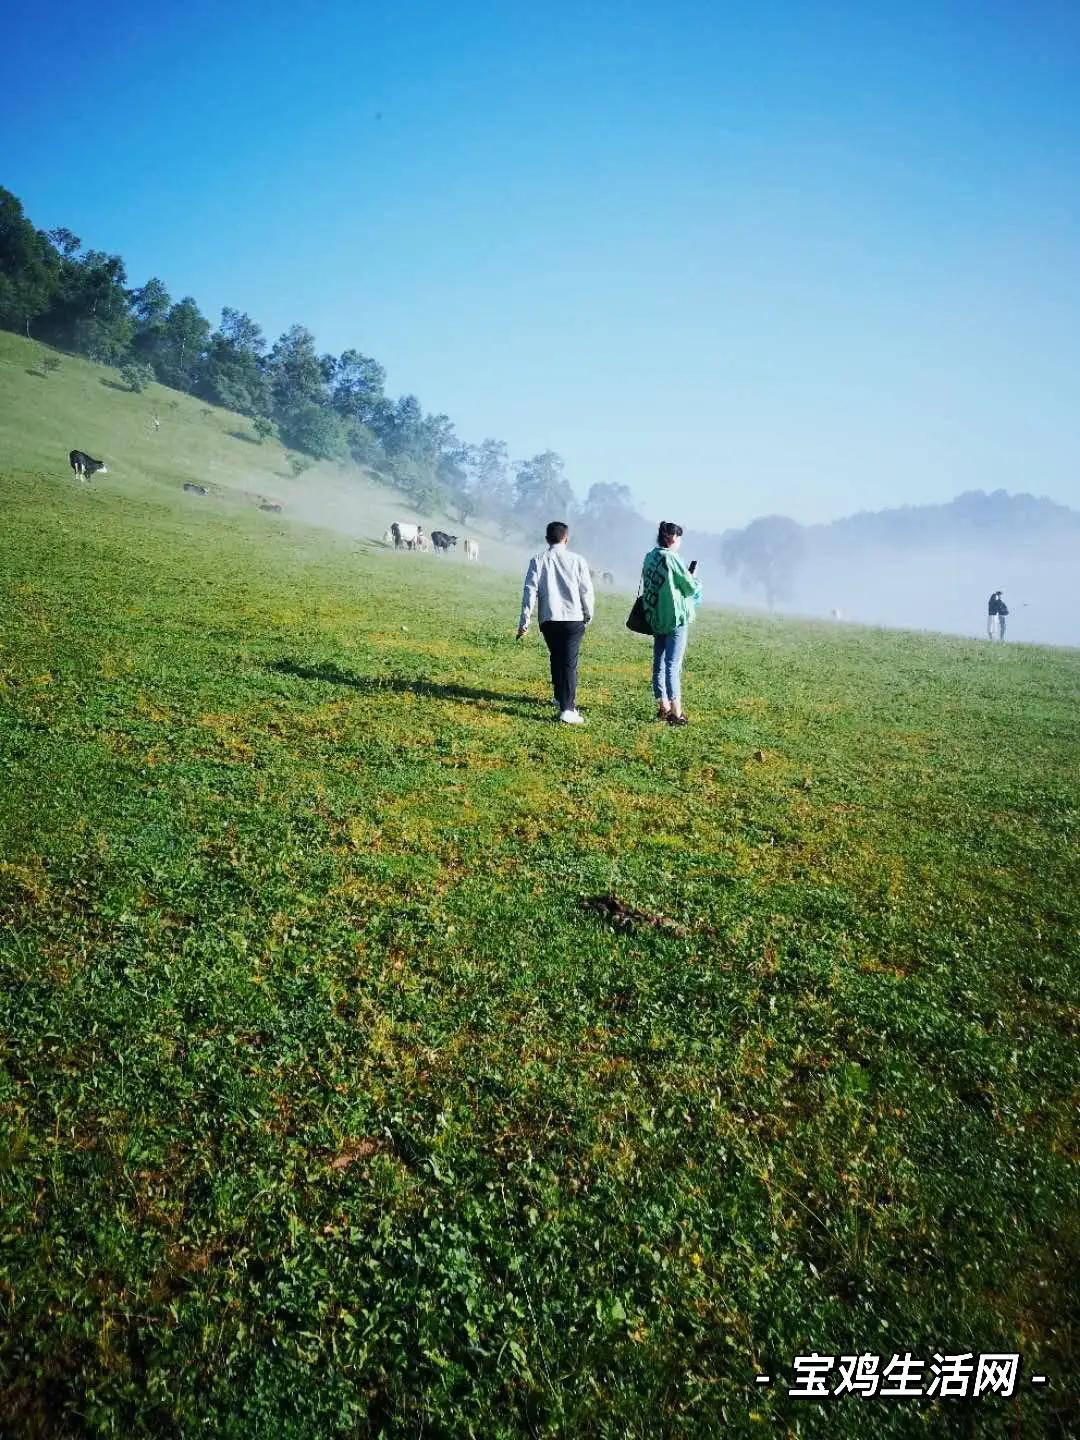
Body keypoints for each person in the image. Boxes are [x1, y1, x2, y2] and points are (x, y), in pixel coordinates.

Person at [517, 521, 595, 724]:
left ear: (546, 539)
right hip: (573, 618)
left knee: (556, 656)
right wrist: (588, 614)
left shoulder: (538, 560)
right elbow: (586, 590)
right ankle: (568, 709)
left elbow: (530, 591)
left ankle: (559, 696)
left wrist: (524, 621)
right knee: (569, 663)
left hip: (549, 618)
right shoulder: (578, 560)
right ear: (566, 538)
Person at [640, 521, 701, 725]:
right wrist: (693, 577)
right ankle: (677, 713)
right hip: (675, 618)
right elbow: (689, 587)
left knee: (659, 663)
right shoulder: (672, 558)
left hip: (656, 617)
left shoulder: (650, 557)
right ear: (672, 538)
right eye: (679, 538)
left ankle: (663, 706)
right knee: (673, 665)